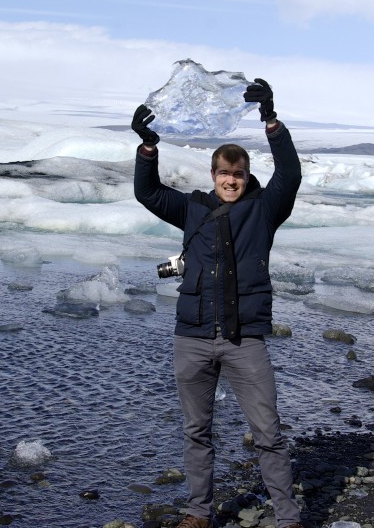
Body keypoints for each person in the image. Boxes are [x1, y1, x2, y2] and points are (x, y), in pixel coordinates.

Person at [132, 78, 305, 528]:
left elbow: (291, 175)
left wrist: (271, 120)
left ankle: (287, 518)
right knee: (196, 431)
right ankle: (199, 513)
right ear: (213, 175)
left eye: (238, 174)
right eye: (224, 174)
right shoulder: (191, 208)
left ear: (247, 177)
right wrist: (148, 148)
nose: (231, 180)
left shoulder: (265, 209)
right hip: (191, 338)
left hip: (245, 340)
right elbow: (147, 193)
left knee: (267, 432)